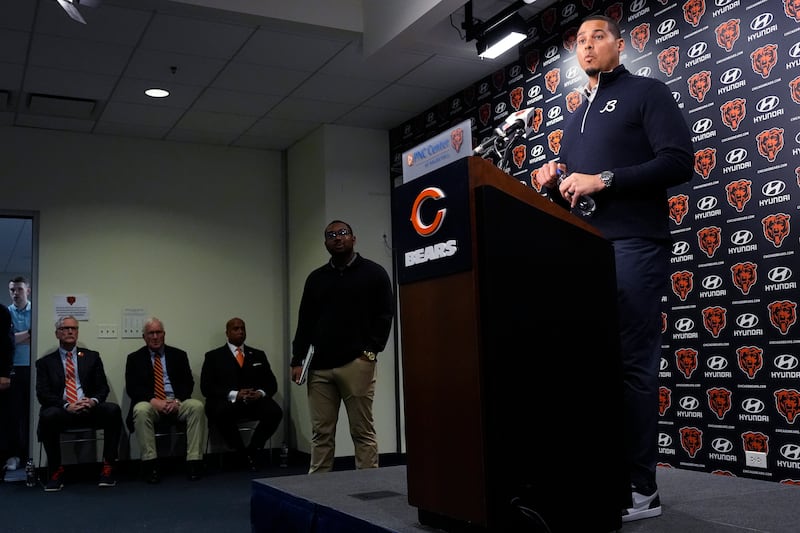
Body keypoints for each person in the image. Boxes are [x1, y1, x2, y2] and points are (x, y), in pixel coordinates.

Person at [536, 15, 693, 523]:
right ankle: (600, 475)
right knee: (589, 366)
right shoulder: (576, 114)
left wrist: (603, 178)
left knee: (631, 364)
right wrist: (554, 178)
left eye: (597, 36)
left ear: (619, 45)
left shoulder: (648, 92)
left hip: (633, 247)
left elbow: (678, 162)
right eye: (579, 40)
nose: (587, 45)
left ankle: (640, 489)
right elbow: (574, 188)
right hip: (584, 253)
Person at [290, 220, 394, 474]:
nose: (337, 238)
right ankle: (318, 492)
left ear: (353, 239)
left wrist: (371, 352)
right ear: (325, 243)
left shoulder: (374, 273)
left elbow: (385, 315)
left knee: (362, 431)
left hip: (356, 364)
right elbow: (305, 321)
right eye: (331, 235)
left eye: (343, 233)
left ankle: (368, 489)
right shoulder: (316, 279)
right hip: (319, 368)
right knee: (321, 434)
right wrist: (297, 359)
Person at [35, 315, 123, 491]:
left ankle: (108, 468)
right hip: (63, 412)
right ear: (57, 334)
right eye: (65, 328)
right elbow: (43, 394)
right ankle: (55, 471)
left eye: (73, 328)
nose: (69, 331)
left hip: (88, 409)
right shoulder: (45, 363)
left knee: (113, 410)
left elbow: (102, 388)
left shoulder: (92, 357)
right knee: (48, 415)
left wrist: (92, 401)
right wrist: (67, 405)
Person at [125, 317, 207, 483]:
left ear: (164, 334)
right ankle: (150, 464)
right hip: (151, 404)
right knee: (140, 410)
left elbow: (188, 383)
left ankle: (194, 462)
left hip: (176, 402)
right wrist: (154, 401)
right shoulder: (134, 358)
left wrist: (176, 401)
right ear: (144, 336)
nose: (155, 337)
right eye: (151, 333)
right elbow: (133, 388)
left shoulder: (179, 355)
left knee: (197, 406)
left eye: (158, 332)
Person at [201, 317, 283, 471]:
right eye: (236, 329)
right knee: (220, 412)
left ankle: (253, 449)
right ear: (227, 333)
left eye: (242, 328)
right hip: (227, 402)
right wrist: (234, 394)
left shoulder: (258, 355)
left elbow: (271, 383)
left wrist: (260, 393)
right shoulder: (213, 356)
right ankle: (240, 453)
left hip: (253, 402)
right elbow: (206, 388)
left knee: (275, 412)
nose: (240, 331)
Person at [5, 276, 32, 472]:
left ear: (28, 291)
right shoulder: (6, 313)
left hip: (33, 368)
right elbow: (6, 340)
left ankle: (30, 453)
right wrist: (28, 333)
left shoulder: (36, 310)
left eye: (19, 289)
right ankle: (14, 455)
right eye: (12, 290)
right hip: (13, 368)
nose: (16, 293)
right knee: (14, 415)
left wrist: (15, 337)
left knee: (32, 412)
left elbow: (37, 333)